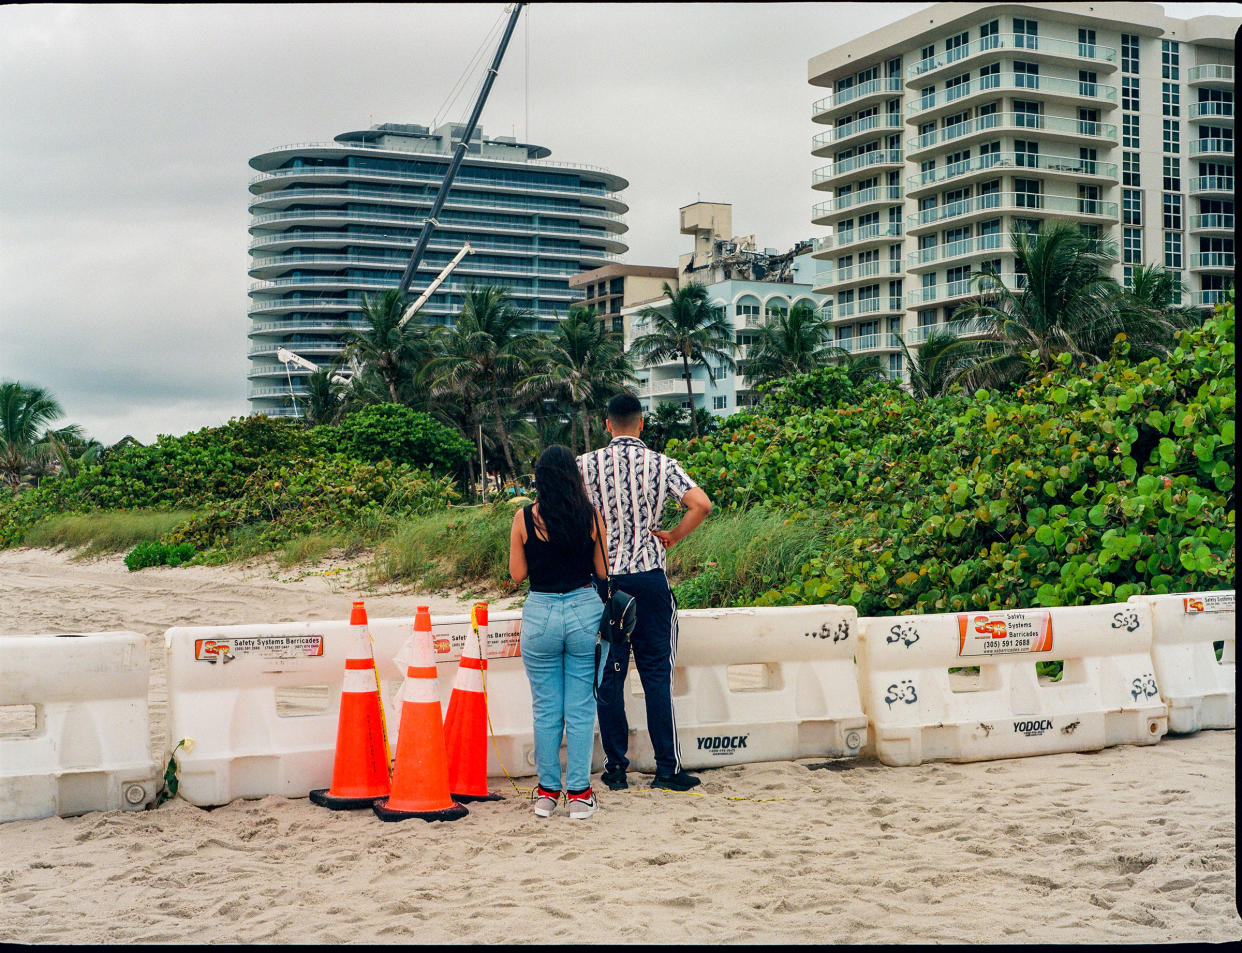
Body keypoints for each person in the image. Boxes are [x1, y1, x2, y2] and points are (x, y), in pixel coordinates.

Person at [577, 393, 713, 792]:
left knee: (609, 677)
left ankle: (616, 768)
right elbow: (701, 504)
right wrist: (672, 535)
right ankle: (667, 769)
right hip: (650, 580)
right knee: (657, 675)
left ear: (607, 425)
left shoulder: (584, 466)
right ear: (640, 425)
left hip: (606, 584)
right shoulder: (661, 463)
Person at [509, 444, 609, 819]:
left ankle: (548, 793)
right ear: (574, 476)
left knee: (547, 709)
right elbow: (602, 572)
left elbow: (517, 575)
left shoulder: (524, 518)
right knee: (581, 709)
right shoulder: (590, 516)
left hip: (541, 613)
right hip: (584, 609)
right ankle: (580, 795)